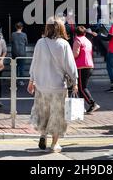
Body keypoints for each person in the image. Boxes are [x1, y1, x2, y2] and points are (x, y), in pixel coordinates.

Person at [28, 17, 79, 153]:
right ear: (61, 28)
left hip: (41, 85)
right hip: (58, 86)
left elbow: (35, 62)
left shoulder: (40, 43)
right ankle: (54, 144)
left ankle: (43, 134)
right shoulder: (63, 44)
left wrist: (31, 81)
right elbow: (71, 66)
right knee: (58, 115)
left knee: (43, 112)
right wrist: (75, 82)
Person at [73, 26, 100, 114]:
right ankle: (82, 107)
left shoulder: (77, 40)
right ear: (84, 33)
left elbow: (76, 54)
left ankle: (93, 103)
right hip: (89, 65)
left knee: (81, 88)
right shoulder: (87, 40)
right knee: (83, 87)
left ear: (76, 33)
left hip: (81, 66)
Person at [11, 22, 29, 86]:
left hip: (14, 53)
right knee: (21, 67)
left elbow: (11, 41)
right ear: (22, 27)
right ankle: (21, 81)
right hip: (22, 53)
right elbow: (26, 43)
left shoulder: (13, 34)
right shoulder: (24, 35)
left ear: (16, 27)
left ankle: (14, 81)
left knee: (14, 68)